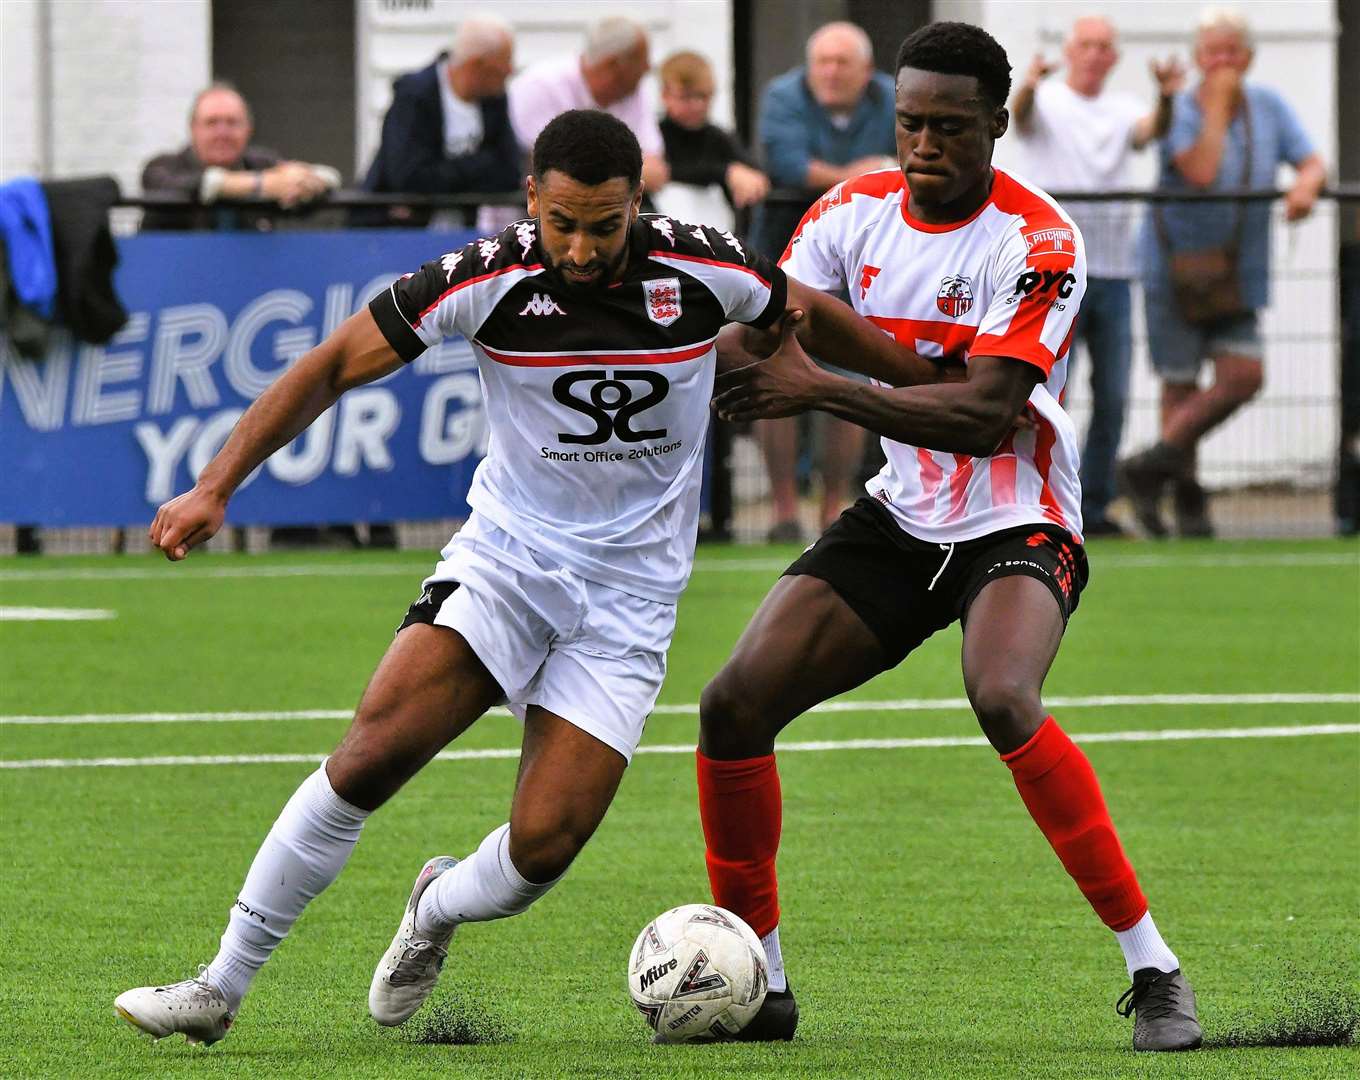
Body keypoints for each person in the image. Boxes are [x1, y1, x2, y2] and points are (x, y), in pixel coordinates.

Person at [110, 109, 962, 1048]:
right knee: (371, 755)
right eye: (563, 223)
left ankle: (435, 905)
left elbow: (801, 315)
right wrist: (213, 486)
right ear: (532, 200)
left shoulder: (706, 265)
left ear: (639, 202)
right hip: (507, 563)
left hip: (629, 604)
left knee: (541, 850)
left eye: (605, 224)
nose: (584, 248)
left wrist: (921, 380)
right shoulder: (485, 276)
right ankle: (219, 985)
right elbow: (326, 368)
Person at [696, 22, 1201, 1052]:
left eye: (949, 127)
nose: (923, 144)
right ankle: (759, 983)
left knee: (1001, 694)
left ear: (997, 125)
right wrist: (708, 341)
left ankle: (1153, 970)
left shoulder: (1039, 241)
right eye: (908, 124)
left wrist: (822, 381)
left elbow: (979, 416)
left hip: (1015, 516)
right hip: (901, 514)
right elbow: (774, 329)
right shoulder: (849, 211)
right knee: (732, 705)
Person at [1119, 7, 1326, 538]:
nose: (1223, 64)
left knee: (1244, 374)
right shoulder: (1182, 110)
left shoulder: (1271, 106)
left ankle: (1150, 466)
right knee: (1179, 382)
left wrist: (1305, 184)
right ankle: (1187, 498)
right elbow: (1203, 171)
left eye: (1232, 53)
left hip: (1239, 269)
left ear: (1250, 57)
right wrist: (1215, 106)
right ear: (1196, 59)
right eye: (1213, 53)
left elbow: (1311, 159)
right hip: (1173, 267)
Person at [1009, 16, 1184, 537]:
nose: (1093, 54)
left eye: (1104, 46)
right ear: (1071, 50)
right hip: (1054, 274)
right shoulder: (1048, 102)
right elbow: (1022, 117)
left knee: (1112, 397)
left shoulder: (1124, 109)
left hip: (1111, 272)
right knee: (1046, 393)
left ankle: (1097, 504)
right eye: (1086, 45)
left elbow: (1152, 129)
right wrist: (1031, 84)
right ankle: (1038, 498)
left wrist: (1168, 97)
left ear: (1113, 57)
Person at [750, 21, 898, 541]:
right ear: (809, 67)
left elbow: (909, 164)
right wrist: (870, 172)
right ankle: (784, 510)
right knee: (775, 374)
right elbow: (788, 165)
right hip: (785, 252)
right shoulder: (782, 96)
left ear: (866, 69)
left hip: (864, 260)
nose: (832, 73)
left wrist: (842, 173)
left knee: (850, 378)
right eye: (823, 63)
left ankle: (834, 506)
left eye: (843, 63)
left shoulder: (892, 95)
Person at [356, 15, 519, 228]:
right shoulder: (415, 95)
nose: (510, 71)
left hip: (462, 233)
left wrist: (442, 173)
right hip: (399, 232)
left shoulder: (494, 99)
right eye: (503, 64)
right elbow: (409, 178)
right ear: (476, 65)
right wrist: (480, 163)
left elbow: (508, 172)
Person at [141, 82, 339, 232]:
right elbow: (178, 184)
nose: (222, 133)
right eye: (212, 123)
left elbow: (327, 176)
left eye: (232, 123)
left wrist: (305, 182)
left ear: (248, 129)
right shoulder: (163, 166)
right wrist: (261, 184)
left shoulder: (260, 162)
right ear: (193, 129)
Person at [509, 16, 669, 195]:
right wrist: (627, 169)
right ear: (613, 65)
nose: (648, 68)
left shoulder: (633, 91)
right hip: (532, 217)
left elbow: (655, 170)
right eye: (642, 60)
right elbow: (552, 168)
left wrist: (596, 168)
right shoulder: (539, 87)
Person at [656, 50, 769, 218]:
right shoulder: (654, 135)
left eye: (703, 96)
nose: (696, 105)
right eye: (686, 97)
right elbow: (663, 172)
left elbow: (755, 174)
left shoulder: (719, 138)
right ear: (665, 95)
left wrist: (753, 181)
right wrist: (725, 173)